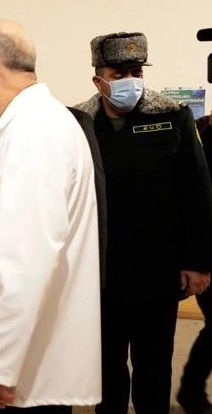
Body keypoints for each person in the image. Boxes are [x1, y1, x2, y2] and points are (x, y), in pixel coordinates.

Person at [0, 19, 102, 413]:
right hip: (18, 354)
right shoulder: (25, 127)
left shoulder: (35, 134)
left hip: (16, 370)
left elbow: (23, 261)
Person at [75, 32, 212, 414]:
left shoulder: (171, 116)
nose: (130, 81)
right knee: (106, 373)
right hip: (101, 275)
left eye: (136, 71)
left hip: (159, 272)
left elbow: (197, 191)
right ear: (98, 80)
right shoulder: (80, 123)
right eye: (119, 74)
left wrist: (198, 262)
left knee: (154, 371)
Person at [178, 110, 212, 414]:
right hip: (207, 252)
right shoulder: (197, 134)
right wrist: (196, 261)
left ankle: (191, 389)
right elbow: (192, 199)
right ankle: (191, 390)